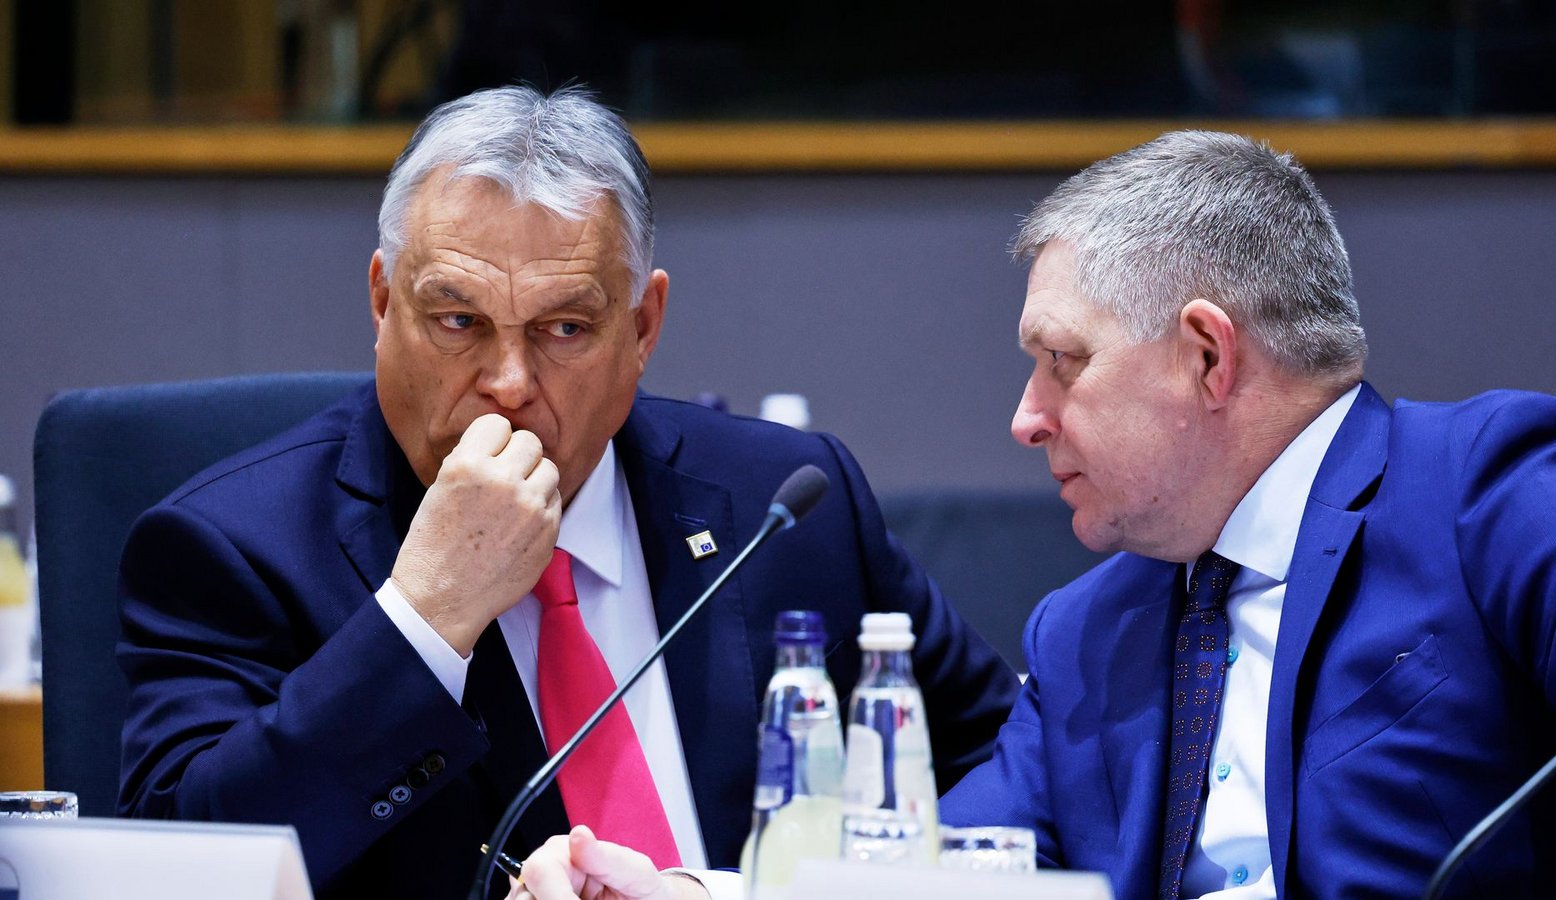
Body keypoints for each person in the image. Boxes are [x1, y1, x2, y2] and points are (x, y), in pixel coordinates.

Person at [512, 130, 1556, 900]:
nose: (1025, 418)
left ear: (1206, 356)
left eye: (1061, 364)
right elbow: (936, 876)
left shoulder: (1480, 491)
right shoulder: (1087, 635)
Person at [115, 84, 1018, 899]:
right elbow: (184, 867)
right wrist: (426, 618)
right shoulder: (234, 546)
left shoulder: (780, 505)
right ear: (384, 302)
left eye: (564, 328)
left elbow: (1012, 765)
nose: (507, 380)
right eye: (458, 320)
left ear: (644, 326)